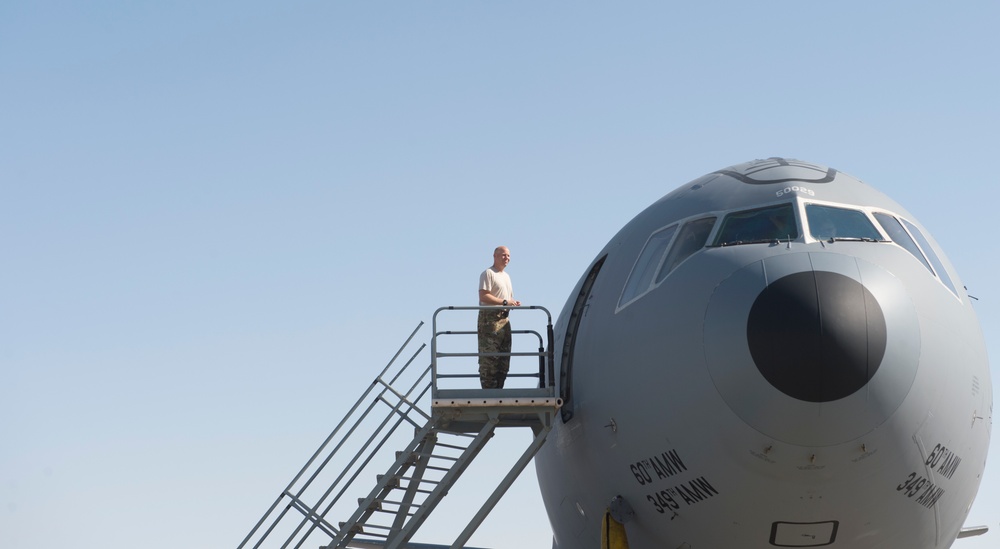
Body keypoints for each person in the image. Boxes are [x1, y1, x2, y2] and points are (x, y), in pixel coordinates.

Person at [477, 246, 521, 389]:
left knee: (503, 358)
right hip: (490, 319)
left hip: (504, 319)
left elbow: (507, 297)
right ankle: (489, 392)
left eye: (508, 256)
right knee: (489, 359)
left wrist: (512, 302)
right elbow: (484, 295)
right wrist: (504, 302)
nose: (506, 258)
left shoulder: (506, 277)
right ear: (495, 256)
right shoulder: (488, 273)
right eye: (503, 255)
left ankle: (499, 390)